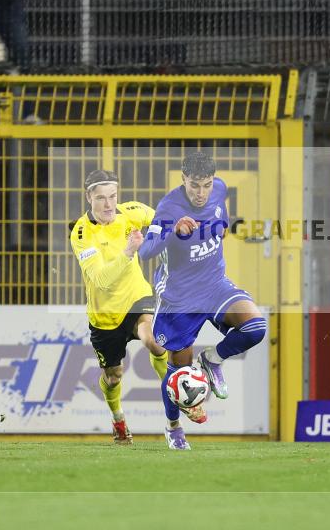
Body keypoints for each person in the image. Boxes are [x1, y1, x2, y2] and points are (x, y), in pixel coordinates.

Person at [139, 152, 268, 450]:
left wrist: (221, 227)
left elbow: (218, 215)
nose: (201, 192)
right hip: (180, 298)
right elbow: (146, 252)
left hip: (214, 285)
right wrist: (173, 231)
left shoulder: (219, 189)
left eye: (206, 185)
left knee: (256, 328)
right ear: (183, 179)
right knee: (178, 372)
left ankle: (212, 359)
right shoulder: (168, 207)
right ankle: (173, 428)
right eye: (195, 185)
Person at [70, 170, 170, 445]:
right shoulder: (81, 233)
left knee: (154, 340)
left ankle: (177, 392)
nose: (108, 204)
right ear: (89, 197)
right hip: (105, 317)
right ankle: (118, 419)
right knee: (113, 377)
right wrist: (129, 251)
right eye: (101, 198)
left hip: (136, 297)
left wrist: (160, 240)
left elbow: (163, 219)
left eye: (112, 196)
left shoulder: (131, 211)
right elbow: (101, 280)